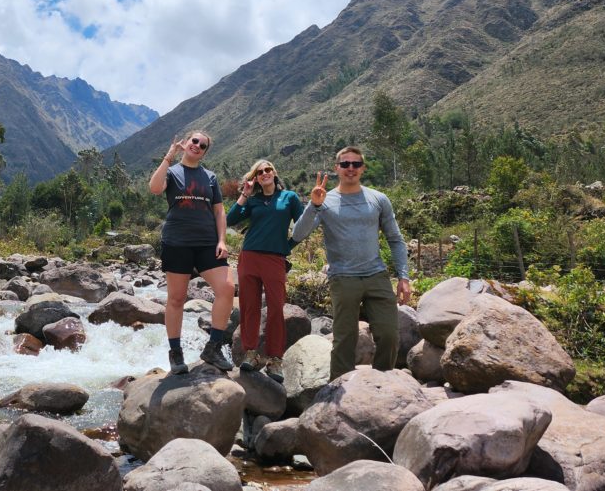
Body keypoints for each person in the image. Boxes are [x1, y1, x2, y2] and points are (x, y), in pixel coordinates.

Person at [291, 146, 411, 381]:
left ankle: (382, 383)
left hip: (376, 275)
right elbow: (297, 234)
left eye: (356, 164)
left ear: (363, 168)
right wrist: (313, 205)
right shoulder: (325, 201)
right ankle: (339, 389)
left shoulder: (378, 199)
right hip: (343, 277)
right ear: (337, 168)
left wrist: (403, 277)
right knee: (345, 339)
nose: (350, 168)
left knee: (389, 334)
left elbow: (395, 239)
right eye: (345, 164)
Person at [148, 130, 235, 374]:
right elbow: (155, 188)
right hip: (177, 242)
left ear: (205, 152)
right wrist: (169, 156)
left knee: (227, 288)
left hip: (208, 242)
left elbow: (219, 212)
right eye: (194, 141)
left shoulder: (210, 177)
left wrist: (222, 241)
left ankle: (213, 347)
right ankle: (176, 354)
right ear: (186, 143)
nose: (197, 145)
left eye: (203, 145)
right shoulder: (173, 172)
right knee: (176, 298)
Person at [227, 160, 303, 383]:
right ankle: (251, 353)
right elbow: (230, 219)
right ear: (256, 178)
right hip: (249, 257)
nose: (265, 173)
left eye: (268, 169)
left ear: (274, 173)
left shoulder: (289, 197)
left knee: (276, 309)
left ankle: (275, 360)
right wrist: (245, 194)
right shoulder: (253, 200)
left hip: (274, 260)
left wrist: (288, 246)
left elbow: (302, 225)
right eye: (260, 172)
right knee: (249, 307)